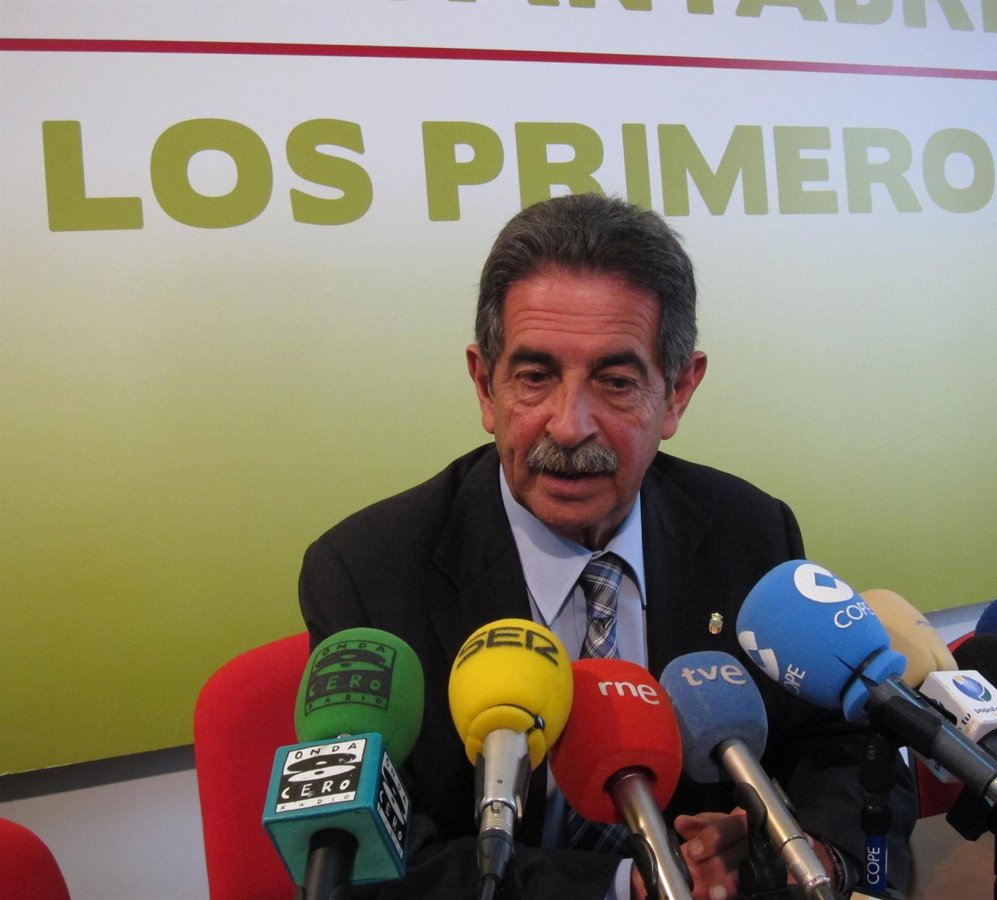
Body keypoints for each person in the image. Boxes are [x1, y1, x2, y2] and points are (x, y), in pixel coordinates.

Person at [299, 193, 917, 899]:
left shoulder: (747, 530)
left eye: (616, 382)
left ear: (677, 392)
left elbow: (847, 751)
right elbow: (367, 859)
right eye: (535, 378)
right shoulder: (369, 572)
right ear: (485, 386)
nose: (569, 427)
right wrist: (628, 885)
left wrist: (802, 854)